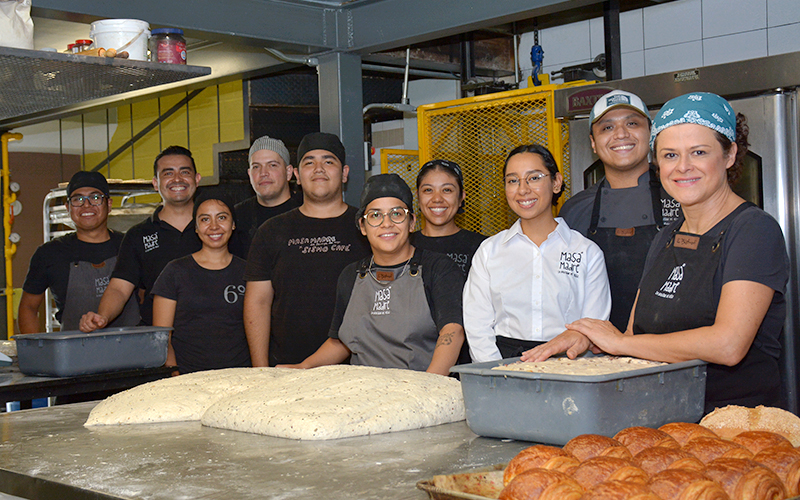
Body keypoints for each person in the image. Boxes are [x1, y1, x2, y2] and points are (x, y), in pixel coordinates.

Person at [525, 92, 789, 413]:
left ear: (730, 154)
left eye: (699, 152)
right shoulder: (668, 235)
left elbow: (728, 344)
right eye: (669, 155)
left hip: (735, 424)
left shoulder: (753, 230)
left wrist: (619, 342)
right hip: (665, 415)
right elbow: (637, 335)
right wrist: (591, 341)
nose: (683, 167)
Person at [282, 174, 465, 375]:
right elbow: (340, 342)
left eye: (397, 214)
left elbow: (452, 331)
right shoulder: (351, 275)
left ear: (412, 222)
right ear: (362, 226)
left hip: (420, 387)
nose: (386, 224)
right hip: (364, 391)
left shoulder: (437, 269)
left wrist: (429, 386)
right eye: (375, 216)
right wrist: (304, 367)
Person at [463, 144, 611, 362]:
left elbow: (594, 325)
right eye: (513, 180)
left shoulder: (587, 253)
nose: (523, 189)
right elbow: (477, 325)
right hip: (503, 363)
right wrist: (497, 373)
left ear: (556, 182)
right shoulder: (489, 252)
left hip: (569, 363)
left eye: (534, 178)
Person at [243, 132, 370, 367]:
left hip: (358, 368)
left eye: (328, 161)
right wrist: (261, 371)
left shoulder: (367, 226)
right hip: (287, 367)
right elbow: (258, 303)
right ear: (298, 176)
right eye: (309, 162)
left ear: (344, 174)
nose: (318, 169)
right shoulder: (270, 231)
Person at [558, 90, 680, 331]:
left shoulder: (682, 198)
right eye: (607, 128)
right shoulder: (574, 210)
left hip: (674, 346)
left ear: (651, 134)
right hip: (594, 352)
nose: (621, 134)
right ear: (593, 142)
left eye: (632, 123)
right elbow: (565, 289)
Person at [79, 145, 202, 332]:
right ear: (155, 183)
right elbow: (119, 288)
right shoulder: (138, 235)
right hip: (161, 339)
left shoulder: (217, 229)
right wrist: (102, 316)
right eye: (168, 173)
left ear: (197, 179)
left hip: (215, 337)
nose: (177, 179)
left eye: (184, 172)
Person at [19, 171, 139, 332]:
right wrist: (35, 353)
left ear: (109, 205)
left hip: (131, 350)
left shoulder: (131, 246)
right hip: (73, 352)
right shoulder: (49, 254)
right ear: (68, 208)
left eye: (95, 198)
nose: (87, 205)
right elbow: (28, 307)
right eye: (78, 199)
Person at [151, 193, 250, 374]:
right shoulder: (175, 271)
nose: (214, 226)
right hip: (189, 379)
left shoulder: (249, 272)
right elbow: (162, 337)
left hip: (240, 377)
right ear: (196, 227)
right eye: (205, 219)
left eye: (222, 217)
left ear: (233, 224)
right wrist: (174, 377)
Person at [410, 159, 486, 364]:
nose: (437, 199)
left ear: (461, 197)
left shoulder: (483, 248)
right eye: (428, 190)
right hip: (413, 358)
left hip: (470, 360)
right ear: (418, 196)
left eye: (447, 190)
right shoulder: (404, 245)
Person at [229, 135, 301, 258]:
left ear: (288, 172)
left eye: (272, 165)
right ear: (249, 174)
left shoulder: (307, 209)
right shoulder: (237, 216)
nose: (263, 173)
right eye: (256, 167)